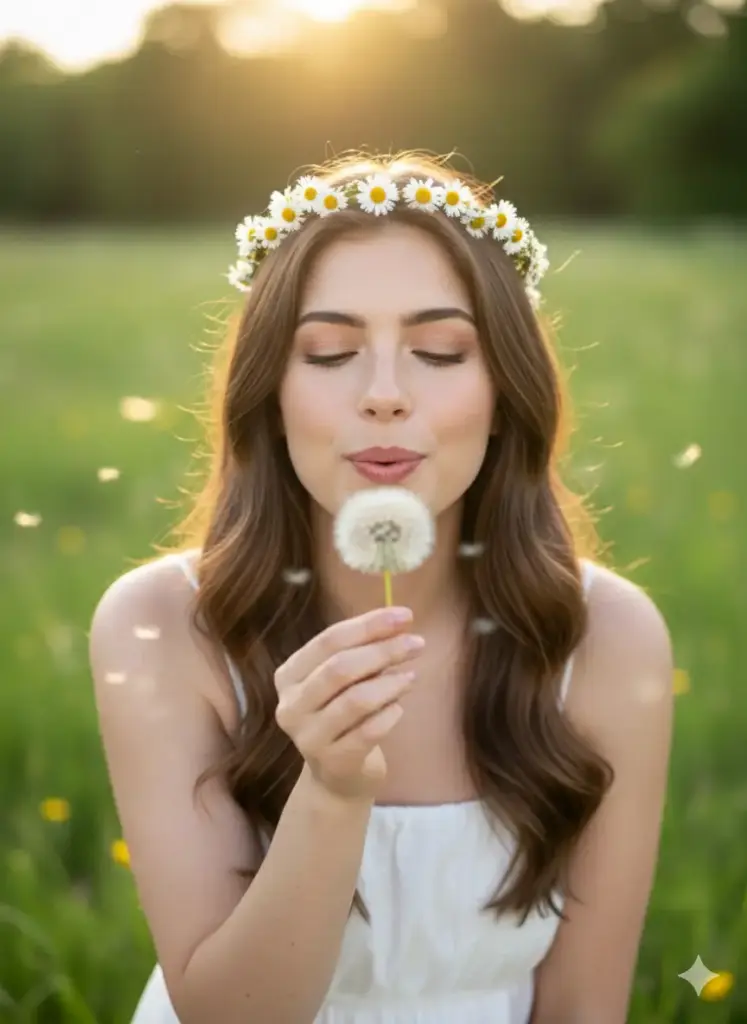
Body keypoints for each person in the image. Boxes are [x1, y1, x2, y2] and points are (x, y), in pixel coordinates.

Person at [89, 152, 674, 1024]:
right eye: (329, 352)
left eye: (439, 350)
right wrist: (330, 792)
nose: (387, 395)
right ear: (271, 392)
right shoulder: (163, 626)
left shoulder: (605, 638)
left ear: (504, 387)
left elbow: (585, 1006)